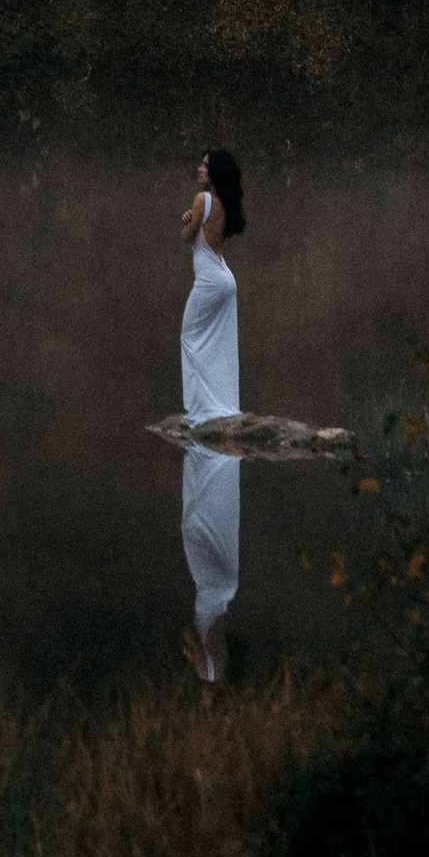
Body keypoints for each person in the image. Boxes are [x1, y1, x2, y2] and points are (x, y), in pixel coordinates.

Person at [179, 148, 244, 681]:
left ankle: (207, 410)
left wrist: (185, 220)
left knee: (191, 337)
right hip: (224, 275)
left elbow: (184, 237)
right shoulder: (223, 202)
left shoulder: (203, 199)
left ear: (211, 175)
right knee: (211, 343)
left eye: (203, 164)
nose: (198, 170)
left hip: (209, 278)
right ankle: (218, 405)